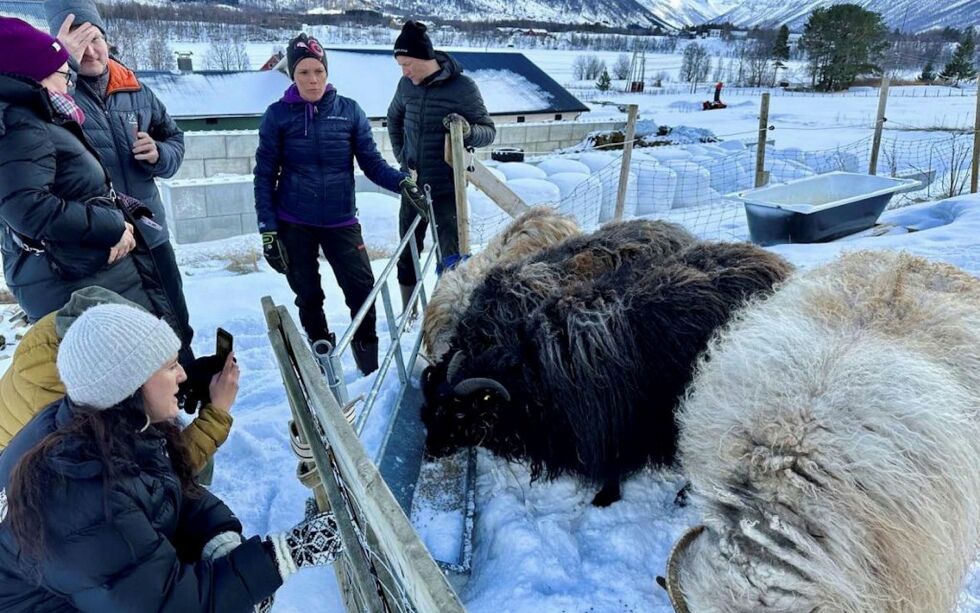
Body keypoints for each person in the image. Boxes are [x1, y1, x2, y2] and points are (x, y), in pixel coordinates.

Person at [0, 303, 341, 611]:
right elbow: (170, 606)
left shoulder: (104, 422)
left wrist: (219, 540)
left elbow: (161, 488)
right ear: (129, 385)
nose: (182, 375)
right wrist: (285, 555)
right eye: (171, 366)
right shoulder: (80, 492)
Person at [254, 33, 428, 376]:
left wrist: (402, 183)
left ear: (326, 71)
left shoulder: (349, 111)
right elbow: (263, 177)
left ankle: (370, 370)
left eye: (318, 71)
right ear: (293, 74)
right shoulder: (277, 116)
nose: (312, 80)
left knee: (363, 292)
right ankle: (325, 362)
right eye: (303, 72)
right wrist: (268, 231)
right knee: (308, 296)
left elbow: (372, 163)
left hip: (341, 221)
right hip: (294, 221)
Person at [45, 0, 194, 365]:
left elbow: (175, 138)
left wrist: (159, 153)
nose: (91, 51)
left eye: (96, 38)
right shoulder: (53, 93)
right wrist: (59, 65)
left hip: (149, 227)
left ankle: (187, 380)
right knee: (132, 332)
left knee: (175, 315)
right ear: (61, 44)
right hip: (107, 243)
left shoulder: (133, 87)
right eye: (79, 41)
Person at [0, 17, 162, 324]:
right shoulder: (21, 125)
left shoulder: (35, 119)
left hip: (89, 276)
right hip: (75, 283)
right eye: (63, 73)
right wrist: (112, 224)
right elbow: (28, 209)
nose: (68, 83)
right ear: (37, 76)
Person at [0, 286, 231, 477]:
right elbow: (154, 479)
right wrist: (216, 415)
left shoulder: (74, 334)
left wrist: (178, 381)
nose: (180, 373)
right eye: (171, 368)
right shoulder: (74, 408)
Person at [387, 20, 496, 309]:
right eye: (400, 65)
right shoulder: (405, 86)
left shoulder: (463, 88)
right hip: (412, 186)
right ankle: (408, 314)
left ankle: (449, 311)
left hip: (447, 190)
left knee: (452, 258)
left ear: (425, 58)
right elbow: (393, 119)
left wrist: (468, 131)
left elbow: (489, 131)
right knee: (407, 252)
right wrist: (402, 157)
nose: (404, 71)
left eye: (407, 64)